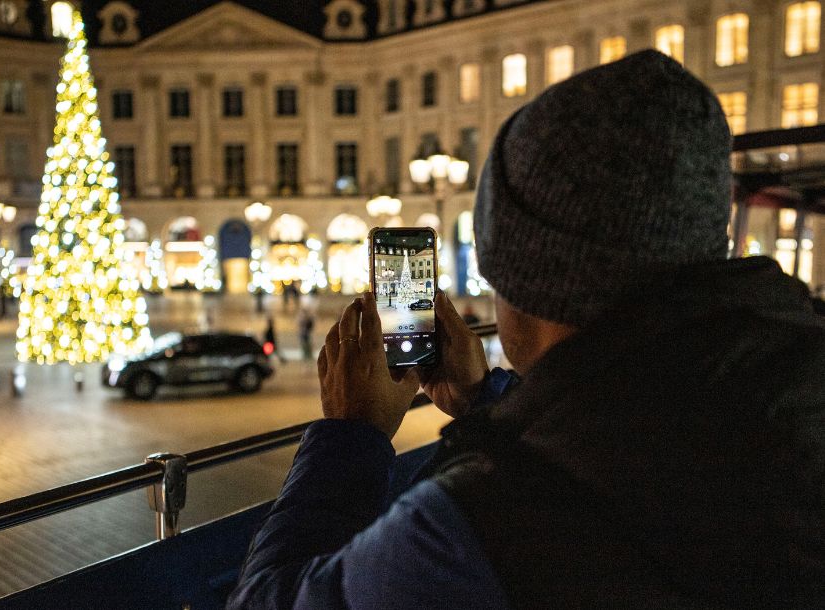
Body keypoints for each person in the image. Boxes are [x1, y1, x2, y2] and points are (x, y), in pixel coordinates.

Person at [228, 51, 825, 609]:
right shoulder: (788, 374)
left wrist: (348, 438)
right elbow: (623, 430)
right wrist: (484, 401)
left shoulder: (477, 525)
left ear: (522, 273)